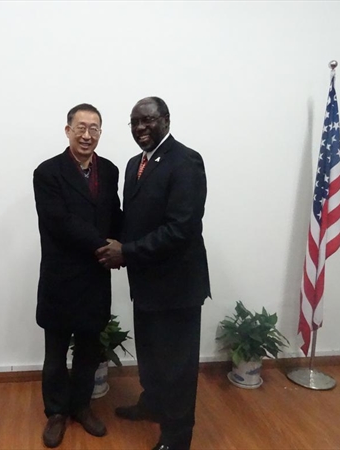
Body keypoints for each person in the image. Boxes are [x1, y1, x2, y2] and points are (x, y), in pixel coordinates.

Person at [96, 96, 211, 450]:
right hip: (146, 283)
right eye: (134, 122)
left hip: (177, 288)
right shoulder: (136, 164)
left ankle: (177, 437)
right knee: (150, 357)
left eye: (147, 120)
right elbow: (133, 220)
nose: (140, 127)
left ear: (166, 119)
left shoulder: (186, 161)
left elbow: (181, 229)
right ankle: (153, 405)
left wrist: (126, 251)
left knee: (177, 366)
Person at [33, 103, 122, 448]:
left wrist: (128, 245)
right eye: (81, 127)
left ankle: (82, 407)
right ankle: (56, 412)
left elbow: (114, 214)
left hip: (95, 278)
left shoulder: (109, 170)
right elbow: (59, 222)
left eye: (94, 128)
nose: (87, 135)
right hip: (61, 277)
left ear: (100, 132)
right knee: (55, 354)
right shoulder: (47, 172)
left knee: (88, 350)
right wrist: (106, 247)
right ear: (68, 130)